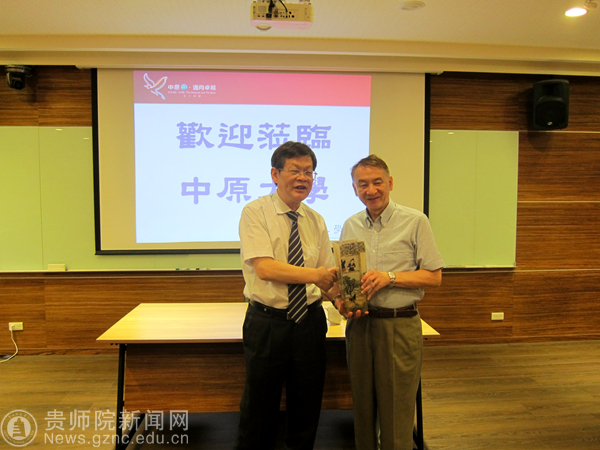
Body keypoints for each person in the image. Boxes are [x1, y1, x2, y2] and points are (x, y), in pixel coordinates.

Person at [234, 141, 339, 450]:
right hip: (268, 322)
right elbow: (265, 268)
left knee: (307, 404)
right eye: (294, 170)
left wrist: (345, 301)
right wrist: (316, 276)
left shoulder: (316, 220)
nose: (302, 178)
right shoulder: (255, 212)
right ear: (275, 174)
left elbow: (327, 275)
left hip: (309, 322)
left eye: (308, 172)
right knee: (259, 406)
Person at [338, 154, 444, 450]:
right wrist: (341, 300)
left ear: (390, 183)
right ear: (354, 189)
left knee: (397, 412)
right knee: (362, 409)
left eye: (377, 182)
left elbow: (434, 276)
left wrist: (390, 278)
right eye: (363, 184)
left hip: (399, 324)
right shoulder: (350, 225)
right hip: (360, 325)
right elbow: (347, 275)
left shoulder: (415, 221)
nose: (371, 190)